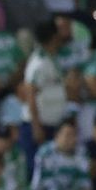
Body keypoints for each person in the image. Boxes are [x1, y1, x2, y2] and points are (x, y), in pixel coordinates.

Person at [20, 20, 68, 176]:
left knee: (50, 171)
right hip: (38, 126)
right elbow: (30, 95)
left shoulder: (51, 58)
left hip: (51, 124)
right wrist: (36, 127)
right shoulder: (38, 63)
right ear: (54, 37)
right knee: (36, 171)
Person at [31, 118, 91, 190]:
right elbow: (43, 187)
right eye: (68, 135)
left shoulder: (81, 153)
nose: (72, 139)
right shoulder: (45, 153)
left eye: (74, 135)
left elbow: (85, 183)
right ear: (57, 136)